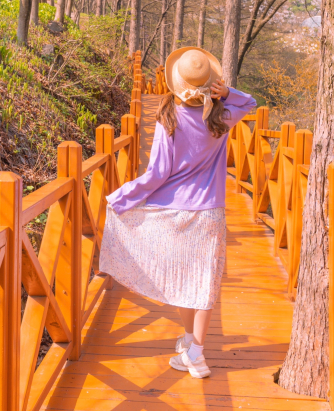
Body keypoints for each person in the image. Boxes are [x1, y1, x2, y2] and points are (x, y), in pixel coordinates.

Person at [99, 46, 256, 379]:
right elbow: (250, 103)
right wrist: (227, 93)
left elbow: (157, 174)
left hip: (172, 211)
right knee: (204, 283)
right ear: (209, 85)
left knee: (186, 280)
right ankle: (194, 352)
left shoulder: (168, 119)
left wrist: (124, 196)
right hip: (209, 212)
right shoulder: (221, 118)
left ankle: (192, 347)